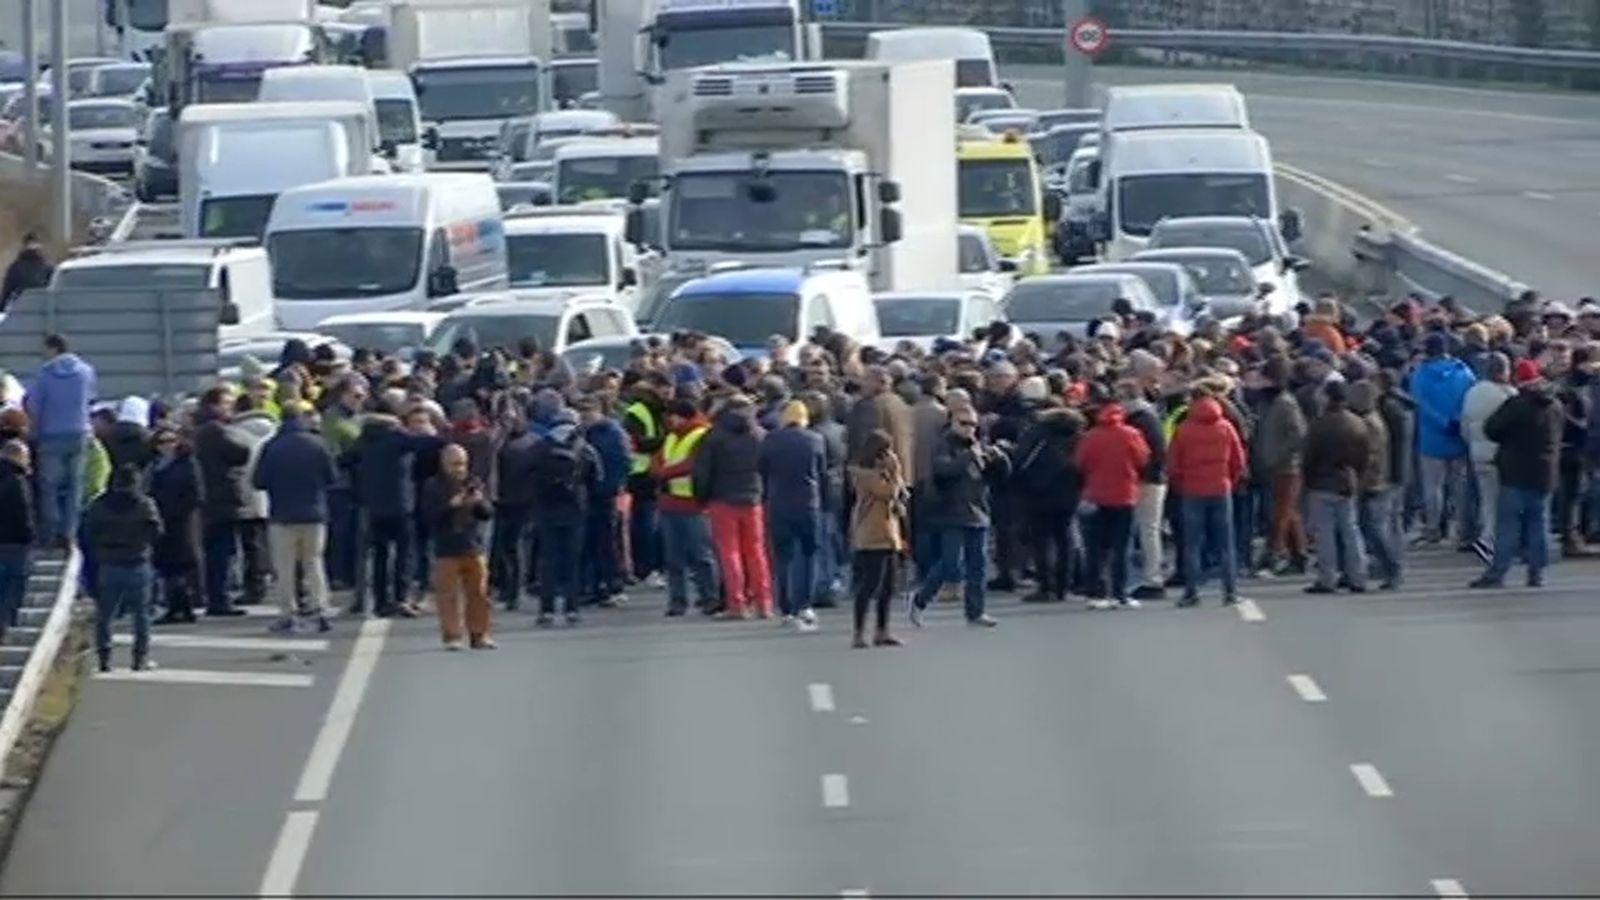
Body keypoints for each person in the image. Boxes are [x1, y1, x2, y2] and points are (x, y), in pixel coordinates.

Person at [908, 406, 1010, 628]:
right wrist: (967, 457)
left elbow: (998, 477)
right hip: (951, 511)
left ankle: (976, 612)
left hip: (978, 509)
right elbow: (943, 470)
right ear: (952, 423)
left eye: (973, 424)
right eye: (963, 423)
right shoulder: (943, 444)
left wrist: (1000, 460)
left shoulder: (979, 444)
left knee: (978, 565)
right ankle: (920, 599)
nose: (969, 429)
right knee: (950, 565)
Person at [1472, 359, 1563, 589]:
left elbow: (1491, 428)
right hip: (1545, 473)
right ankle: (1537, 572)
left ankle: (1498, 572)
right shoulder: (1555, 406)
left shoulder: (1516, 405)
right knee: (1538, 524)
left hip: (1515, 472)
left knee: (1508, 526)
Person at [253, 401, 339, 634]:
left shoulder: (272, 446)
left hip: (282, 514)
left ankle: (288, 614)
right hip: (314, 512)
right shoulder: (318, 444)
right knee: (314, 562)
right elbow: (332, 478)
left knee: (285, 567)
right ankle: (320, 609)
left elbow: (258, 481)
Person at [695, 394, 773, 619]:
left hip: (722, 499)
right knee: (757, 552)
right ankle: (764, 603)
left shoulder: (714, 436)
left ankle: (736, 604)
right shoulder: (760, 435)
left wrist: (701, 498)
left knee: (730, 553)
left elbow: (702, 472)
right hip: (754, 499)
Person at [1167, 390, 1246, 607]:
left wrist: (1180, 484)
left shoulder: (1184, 430)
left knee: (1192, 543)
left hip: (1192, 489)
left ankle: (1191, 592)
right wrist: (1231, 480)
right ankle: (1230, 592)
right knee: (1225, 543)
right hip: (1220, 487)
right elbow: (1238, 460)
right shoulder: (1225, 427)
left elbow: (1173, 464)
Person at [83, 465, 163, 673]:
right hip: (138, 561)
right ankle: (140, 658)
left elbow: (88, 533)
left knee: (105, 615)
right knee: (141, 615)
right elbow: (156, 531)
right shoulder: (145, 504)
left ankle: (104, 658)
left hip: (109, 563)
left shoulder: (99, 505)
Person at [1074, 401, 1151, 610]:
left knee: (1095, 548)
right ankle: (1120, 593)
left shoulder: (1090, 436)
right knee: (1122, 547)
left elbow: (1079, 463)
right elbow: (1143, 459)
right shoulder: (1131, 434)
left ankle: (1096, 593)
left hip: (1095, 495)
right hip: (1124, 495)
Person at [529, 407, 601, 627]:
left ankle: (546, 610)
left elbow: (529, 476)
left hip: (546, 510)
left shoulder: (540, 447)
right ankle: (572, 608)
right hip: (574, 510)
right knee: (572, 562)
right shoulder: (584, 447)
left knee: (548, 561)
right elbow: (597, 477)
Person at [760, 399, 827, 632]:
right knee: (809, 555)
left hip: (779, 502)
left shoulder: (771, 440)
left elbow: (762, 469)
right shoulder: (816, 440)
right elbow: (821, 472)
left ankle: (786, 608)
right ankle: (805, 604)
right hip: (808, 502)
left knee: (782, 557)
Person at [25, 333, 97, 546]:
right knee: (76, 485)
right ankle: (69, 532)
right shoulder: (86, 371)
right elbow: (91, 400)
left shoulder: (44, 374)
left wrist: (34, 432)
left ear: (53, 348)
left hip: (51, 435)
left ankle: (51, 532)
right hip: (79, 433)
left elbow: (34, 407)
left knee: (50, 487)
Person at [422, 443, 495, 649]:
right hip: (446, 548)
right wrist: (450, 506)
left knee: (479, 594)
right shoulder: (433, 486)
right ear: (444, 464)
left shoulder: (474, 482)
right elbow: (429, 517)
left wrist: (479, 502)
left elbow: (487, 514)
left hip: (473, 545)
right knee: (448, 595)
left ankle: (480, 635)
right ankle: (452, 636)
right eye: (454, 464)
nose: (459, 469)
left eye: (462, 464)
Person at [1302, 381, 1371, 594]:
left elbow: (1309, 456)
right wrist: (1356, 476)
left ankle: (1327, 578)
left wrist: (1309, 479)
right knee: (1351, 530)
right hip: (1347, 481)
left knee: (1325, 534)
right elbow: (1364, 457)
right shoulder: (1358, 424)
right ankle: (1358, 576)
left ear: (1329, 398)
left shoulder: (1319, 425)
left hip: (1322, 483)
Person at [652, 399, 718, 616]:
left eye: (672, 416)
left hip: (693, 503)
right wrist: (659, 470)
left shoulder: (702, 435)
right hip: (670, 501)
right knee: (673, 557)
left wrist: (663, 473)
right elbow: (659, 459)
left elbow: (693, 464)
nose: (669, 420)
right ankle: (677, 601)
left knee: (701, 555)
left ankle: (709, 597)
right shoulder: (672, 436)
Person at [1410, 331, 1477, 546]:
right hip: (1459, 435)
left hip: (1431, 437)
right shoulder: (1463, 371)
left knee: (1433, 487)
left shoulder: (1421, 374)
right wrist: (1457, 420)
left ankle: (1433, 529)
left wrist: (1442, 422)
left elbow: (1421, 404)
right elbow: (1470, 398)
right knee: (1460, 486)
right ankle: (1461, 528)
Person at [1012, 406, 1085, 604]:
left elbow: (1020, 460)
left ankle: (1046, 586)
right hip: (1069, 493)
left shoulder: (1036, 434)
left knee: (1041, 542)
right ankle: (1063, 585)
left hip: (1038, 493)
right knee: (1065, 540)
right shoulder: (1078, 436)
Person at [192, 386, 251, 618]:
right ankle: (220, 598)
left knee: (219, 551)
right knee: (222, 552)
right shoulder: (215, 431)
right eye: (226, 403)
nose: (231, 408)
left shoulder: (202, 430)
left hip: (213, 499)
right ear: (213, 406)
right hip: (221, 499)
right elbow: (240, 453)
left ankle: (218, 595)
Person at [848, 429, 907, 648]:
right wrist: (896, 471)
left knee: (888, 587)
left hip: (889, 534)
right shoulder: (865, 476)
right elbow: (888, 492)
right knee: (869, 586)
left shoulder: (882, 474)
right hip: (872, 536)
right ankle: (859, 631)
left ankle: (882, 630)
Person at [1251, 357, 1308, 575]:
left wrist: (1278, 455)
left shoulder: (1285, 403)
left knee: (1280, 513)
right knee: (1288, 511)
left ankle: (1273, 555)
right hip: (1276, 464)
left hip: (1287, 466)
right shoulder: (1271, 403)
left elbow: (1299, 435)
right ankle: (1298, 554)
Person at [1460, 353, 1515, 561]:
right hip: (1500, 455)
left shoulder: (1472, 393)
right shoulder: (1507, 395)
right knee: (1500, 502)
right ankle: (1489, 540)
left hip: (1478, 452)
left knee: (1486, 499)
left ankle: (1487, 537)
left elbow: (1464, 425)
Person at [148, 427, 203, 625]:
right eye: (162, 442)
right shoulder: (155, 466)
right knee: (167, 568)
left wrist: (179, 511)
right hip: (162, 521)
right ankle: (174, 607)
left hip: (182, 522)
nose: (167, 445)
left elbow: (196, 493)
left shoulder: (187, 463)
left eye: (171, 440)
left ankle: (185, 607)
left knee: (182, 566)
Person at [1349, 380, 1400, 591]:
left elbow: (1369, 456)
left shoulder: (1370, 423)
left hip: (1373, 483)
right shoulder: (1372, 420)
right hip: (1374, 480)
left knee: (1375, 528)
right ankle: (1385, 566)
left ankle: (1392, 567)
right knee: (1371, 527)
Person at [0, 440, 35, 638]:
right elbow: (23, 513)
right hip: (15, 545)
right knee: (11, 592)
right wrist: (31, 537)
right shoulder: (17, 480)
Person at [1, 232, 53, 309]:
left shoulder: (15, 267)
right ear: (39, 247)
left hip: (20, 310)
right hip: (43, 310)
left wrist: (2, 308)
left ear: (23, 247)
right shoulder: (47, 268)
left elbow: (6, 292)